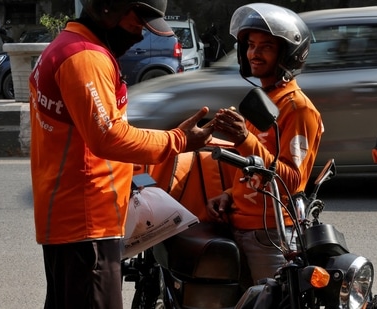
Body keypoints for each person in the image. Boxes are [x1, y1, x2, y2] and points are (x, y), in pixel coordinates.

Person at [28, 0, 213, 308]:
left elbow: (84, 137)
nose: (139, 34)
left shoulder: (66, 46)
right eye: (137, 23)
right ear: (109, 7)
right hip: (87, 225)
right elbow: (107, 136)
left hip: (71, 218)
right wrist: (177, 140)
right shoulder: (85, 57)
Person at [206, 3, 324, 288]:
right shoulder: (264, 100)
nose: (254, 53)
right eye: (250, 45)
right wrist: (229, 194)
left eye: (266, 47)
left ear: (287, 54)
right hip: (240, 224)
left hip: (270, 234)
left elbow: (294, 180)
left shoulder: (297, 109)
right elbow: (253, 165)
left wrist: (243, 139)